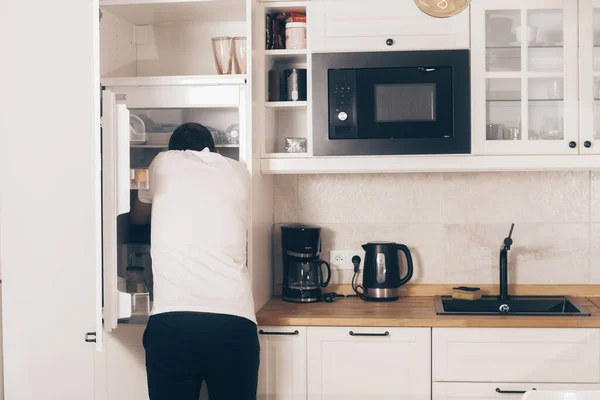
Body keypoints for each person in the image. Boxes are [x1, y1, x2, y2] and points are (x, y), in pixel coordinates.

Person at [131, 122, 258, 400]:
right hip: (235, 323)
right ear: (214, 150)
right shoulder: (239, 171)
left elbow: (138, 217)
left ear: (173, 150)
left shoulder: (162, 162)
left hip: (174, 321)